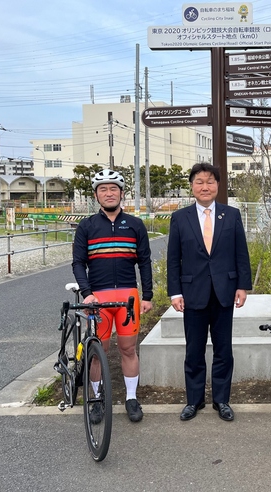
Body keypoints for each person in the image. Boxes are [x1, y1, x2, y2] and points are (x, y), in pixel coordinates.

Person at [167, 162, 252, 422]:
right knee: (194, 350)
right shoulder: (180, 218)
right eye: (200, 182)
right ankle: (194, 401)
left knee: (223, 349)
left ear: (218, 185)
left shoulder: (231, 214)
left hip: (224, 291)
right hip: (193, 293)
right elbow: (174, 258)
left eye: (210, 181)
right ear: (192, 186)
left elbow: (241, 253)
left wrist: (242, 285)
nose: (205, 186)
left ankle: (221, 400)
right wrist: (175, 292)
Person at [72, 168, 153, 423]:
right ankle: (97, 400)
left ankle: (131, 398)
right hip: (99, 298)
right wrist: (87, 294)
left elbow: (145, 262)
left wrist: (148, 295)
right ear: (96, 196)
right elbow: (78, 263)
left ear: (121, 194)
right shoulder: (86, 226)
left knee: (129, 349)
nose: (109, 194)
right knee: (99, 350)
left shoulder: (135, 225)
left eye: (113, 189)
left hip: (128, 296)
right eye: (103, 189)